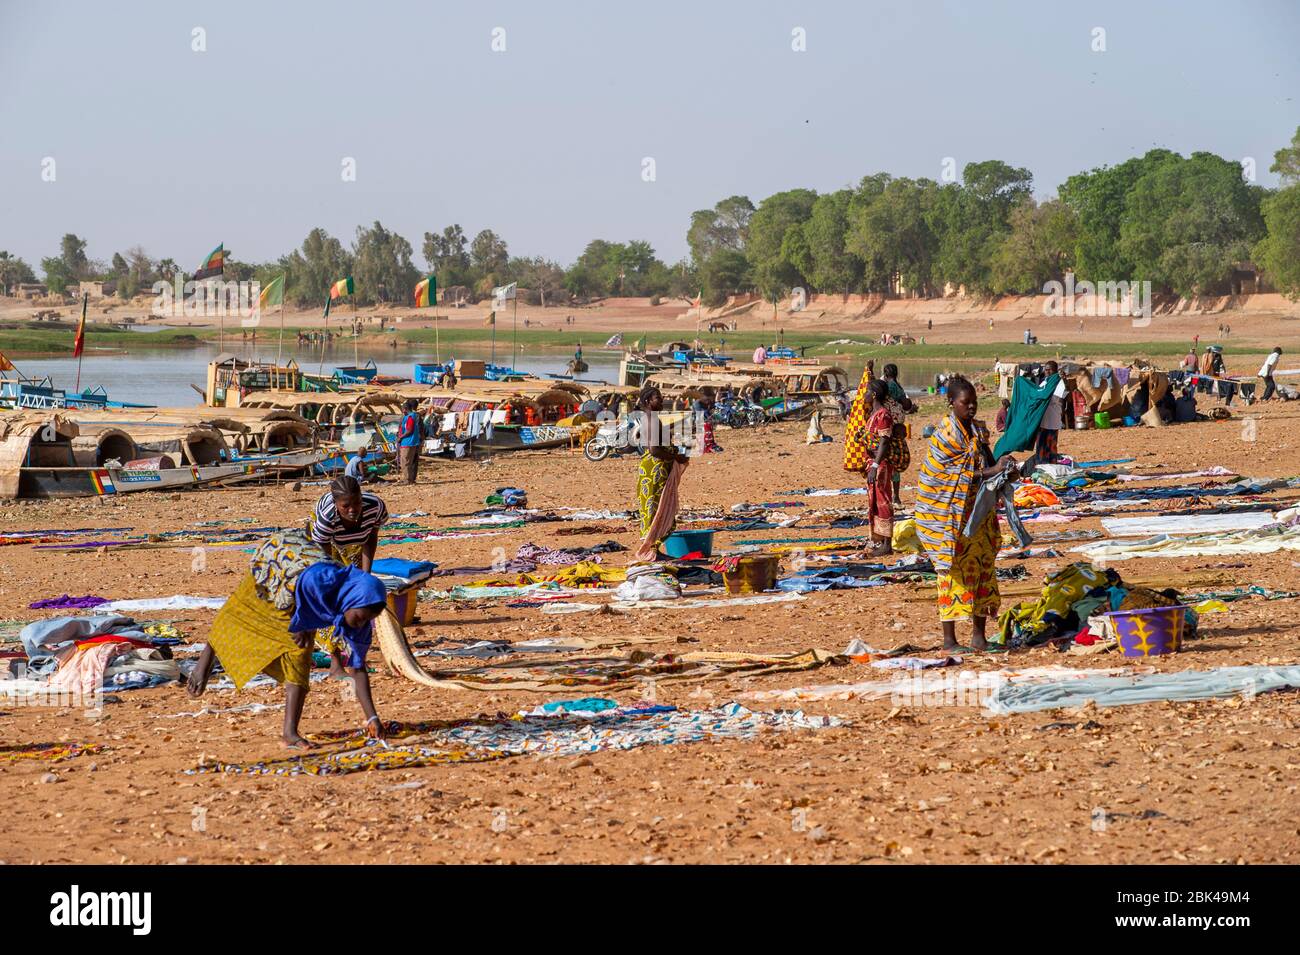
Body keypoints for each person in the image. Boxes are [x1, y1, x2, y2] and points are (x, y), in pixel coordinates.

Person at [186, 532, 389, 748]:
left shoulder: (358, 616)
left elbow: (357, 669)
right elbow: (304, 586)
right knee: (242, 614)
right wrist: (300, 622)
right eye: (359, 617)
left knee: (299, 656)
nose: (360, 623)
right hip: (276, 564)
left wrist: (372, 718)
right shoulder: (321, 581)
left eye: (367, 620)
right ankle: (208, 655)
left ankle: (289, 732)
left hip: (302, 593)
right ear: (352, 601)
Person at [915, 377, 1017, 652]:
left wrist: (1005, 468)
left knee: (984, 568)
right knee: (952, 573)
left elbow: (987, 462)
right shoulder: (945, 435)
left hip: (977, 514)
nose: (971, 407)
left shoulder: (977, 431)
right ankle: (949, 641)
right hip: (949, 516)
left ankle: (979, 637)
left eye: (974, 402)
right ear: (951, 403)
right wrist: (990, 472)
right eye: (965, 403)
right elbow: (945, 476)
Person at [632, 384, 689, 562]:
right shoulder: (652, 419)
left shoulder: (651, 418)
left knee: (656, 507)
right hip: (654, 469)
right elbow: (655, 450)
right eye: (658, 397)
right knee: (655, 508)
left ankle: (653, 548)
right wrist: (676, 456)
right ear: (648, 401)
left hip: (655, 469)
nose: (662, 400)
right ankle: (650, 550)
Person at [880, 364, 915, 505]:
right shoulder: (894, 385)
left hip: (888, 426)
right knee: (895, 461)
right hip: (894, 428)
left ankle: (888, 495)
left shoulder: (885, 385)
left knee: (887, 460)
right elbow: (905, 404)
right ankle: (895, 495)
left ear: (885, 373)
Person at [1033, 360, 1066, 466]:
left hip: (1052, 420)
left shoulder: (1059, 383)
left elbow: (1059, 397)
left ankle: (1051, 467)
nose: (1046, 372)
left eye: (1049, 370)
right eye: (1045, 370)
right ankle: (1041, 466)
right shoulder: (1044, 382)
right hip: (1042, 421)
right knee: (1041, 446)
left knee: (1051, 447)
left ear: (1055, 370)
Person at [397, 399, 422, 484]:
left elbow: (409, 430)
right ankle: (410, 479)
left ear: (405, 409)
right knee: (409, 462)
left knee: (405, 462)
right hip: (413, 442)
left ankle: (408, 479)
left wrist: (400, 437)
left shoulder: (410, 417)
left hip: (408, 442)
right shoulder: (415, 416)